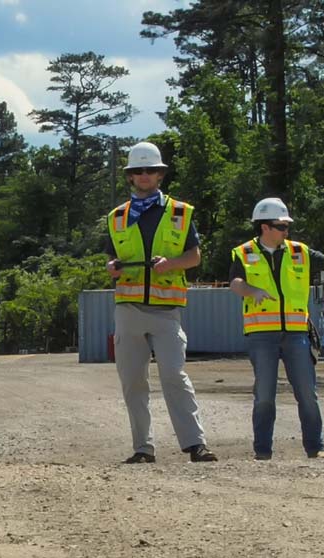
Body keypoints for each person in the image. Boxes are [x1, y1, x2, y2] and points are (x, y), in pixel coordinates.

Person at [228, 197, 324, 460]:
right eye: (281, 226)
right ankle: (262, 452)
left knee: (307, 394)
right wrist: (252, 291)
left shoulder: (300, 252)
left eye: (287, 226)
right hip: (261, 336)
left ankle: (315, 448)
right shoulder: (243, 253)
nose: (286, 231)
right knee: (264, 395)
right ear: (265, 227)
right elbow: (235, 283)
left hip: (297, 334)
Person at [103, 141, 215, 465]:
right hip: (128, 309)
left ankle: (196, 445)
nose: (144, 175)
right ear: (130, 176)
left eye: (150, 170)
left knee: (174, 375)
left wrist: (171, 264)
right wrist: (111, 268)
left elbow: (194, 257)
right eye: (138, 171)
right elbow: (112, 259)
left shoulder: (181, 213)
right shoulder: (117, 217)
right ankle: (143, 448)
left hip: (166, 312)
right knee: (133, 381)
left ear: (160, 174)